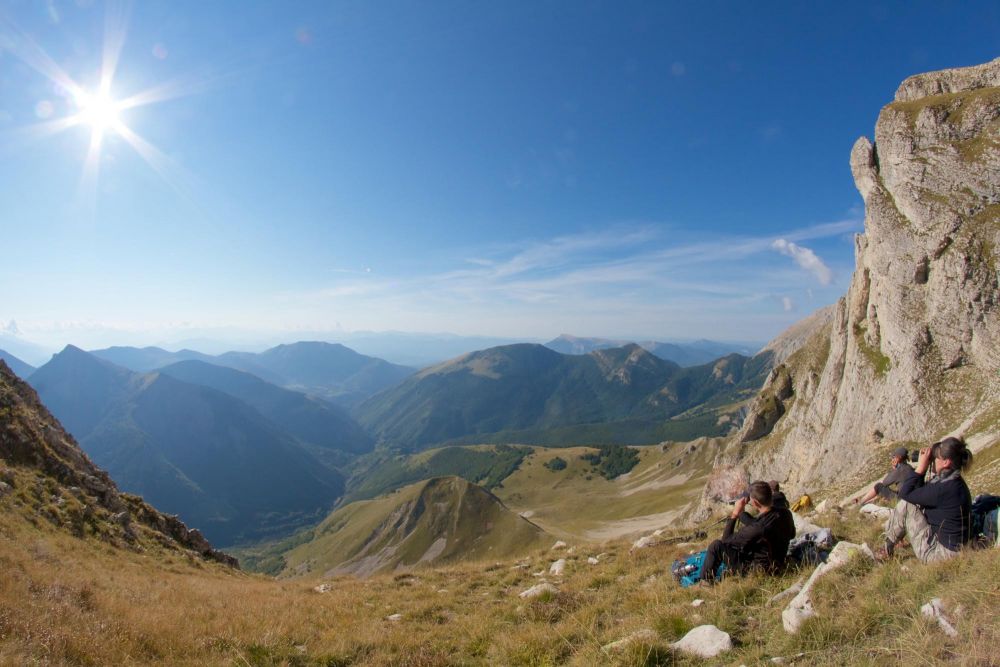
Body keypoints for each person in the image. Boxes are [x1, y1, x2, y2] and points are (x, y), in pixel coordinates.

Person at [879, 437, 973, 563]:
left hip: (940, 555)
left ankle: (886, 549)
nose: (933, 461)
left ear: (946, 462)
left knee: (906, 505)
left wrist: (920, 469)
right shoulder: (954, 482)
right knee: (912, 504)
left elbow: (905, 494)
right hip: (956, 549)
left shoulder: (944, 488)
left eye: (936, 458)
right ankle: (892, 543)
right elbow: (920, 494)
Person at [699, 480, 796, 583]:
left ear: (755, 502)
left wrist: (735, 514)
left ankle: (706, 582)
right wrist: (743, 514)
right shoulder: (785, 513)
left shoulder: (757, 528)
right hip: (779, 562)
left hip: (759, 572)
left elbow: (726, 541)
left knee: (716, 546)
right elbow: (792, 535)